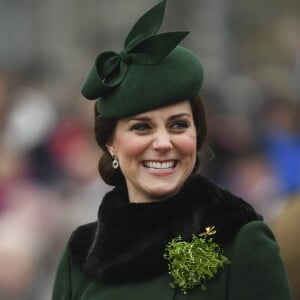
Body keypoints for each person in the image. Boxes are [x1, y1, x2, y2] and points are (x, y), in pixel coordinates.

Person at [52, 1, 292, 299]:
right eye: (142, 127)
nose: (164, 143)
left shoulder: (239, 236)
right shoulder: (82, 252)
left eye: (178, 125)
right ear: (110, 143)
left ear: (197, 135)